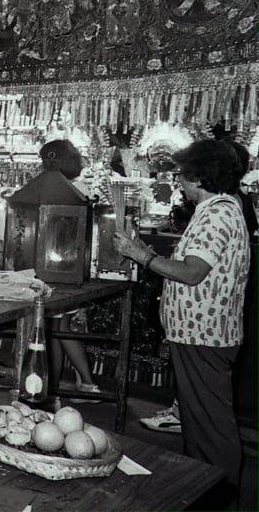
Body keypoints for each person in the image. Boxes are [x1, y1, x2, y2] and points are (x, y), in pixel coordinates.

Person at [114, 139, 248, 490]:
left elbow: (192, 272)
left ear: (199, 177)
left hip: (204, 333)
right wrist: (145, 253)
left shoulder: (218, 213)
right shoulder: (217, 209)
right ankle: (203, 489)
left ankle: (220, 494)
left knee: (210, 425)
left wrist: (142, 257)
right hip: (200, 332)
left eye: (183, 175)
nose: (179, 182)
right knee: (199, 420)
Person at [35, 139, 101, 401]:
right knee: (60, 327)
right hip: (72, 268)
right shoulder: (80, 188)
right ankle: (77, 384)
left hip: (58, 267)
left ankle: (59, 387)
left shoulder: (62, 190)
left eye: (47, 160)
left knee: (55, 328)